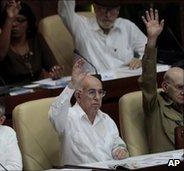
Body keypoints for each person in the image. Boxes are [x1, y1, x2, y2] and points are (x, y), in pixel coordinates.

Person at [49, 58, 128, 165]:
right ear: (78, 95)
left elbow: (117, 144)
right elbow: (54, 114)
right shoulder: (68, 117)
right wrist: (72, 85)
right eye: (92, 92)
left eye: (100, 93)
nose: (97, 97)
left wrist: (120, 150)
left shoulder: (106, 119)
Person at [58, 0, 147, 73]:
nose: (107, 15)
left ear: (118, 11)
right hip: (93, 87)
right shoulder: (80, 26)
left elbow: (147, 49)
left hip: (124, 81)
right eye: (102, 9)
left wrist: (141, 60)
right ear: (95, 8)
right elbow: (65, 9)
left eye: (112, 10)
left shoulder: (127, 26)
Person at [139, 8, 184, 153]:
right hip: (168, 164)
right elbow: (148, 79)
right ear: (165, 86)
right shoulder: (154, 104)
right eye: (180, 87)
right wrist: (152, 41)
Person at [0, 0, 63, 86]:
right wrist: (9, 19)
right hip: (7, 96)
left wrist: (56, 71)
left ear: (28, 23)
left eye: (20, 20)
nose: (14, 24)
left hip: (36, 93)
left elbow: (52, 65)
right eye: (12, 20)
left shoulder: (36, 40)